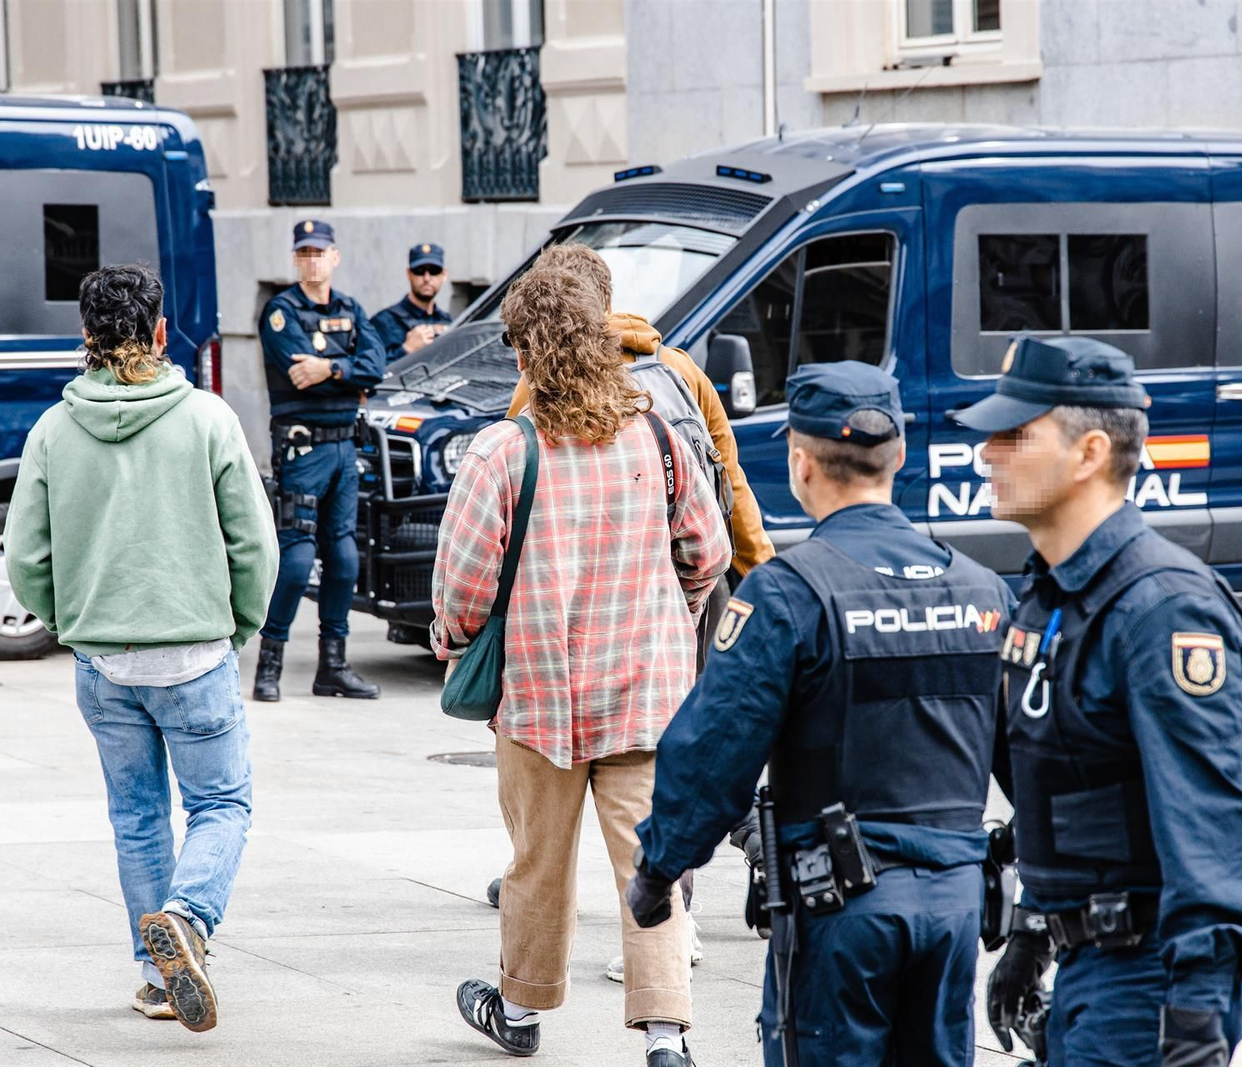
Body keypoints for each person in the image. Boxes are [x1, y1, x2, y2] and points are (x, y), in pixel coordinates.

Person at [629, 361, 1014, 1067]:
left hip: (841, 910)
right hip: (956, 905)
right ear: (898, 455)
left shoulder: (788, 594)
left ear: (800, 462)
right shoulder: (984, 591)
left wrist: (659, 870)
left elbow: (713, 752)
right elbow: (1041, 765)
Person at [952, 336, 1242, 1067]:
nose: (987, 454)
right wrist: (1032, 931)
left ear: (1089, 452)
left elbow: (1214, 833)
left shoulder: (1161, 611)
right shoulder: (1049, 598)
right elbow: (1071, 795)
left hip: (1149, 987)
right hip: (1088, 975)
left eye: (1015, 435)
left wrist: (1194, 1024)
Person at [434, 262, 731, 1067]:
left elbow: (461, 590)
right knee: (651, 862)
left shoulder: (502, 451)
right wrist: (673, 617)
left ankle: (522, 1010)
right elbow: (709, 551)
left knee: (537, 860)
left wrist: (453, 641)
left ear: (525, 356)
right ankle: (666, 1036)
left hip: (538, 698)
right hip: (648, 694)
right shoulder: (659, 438)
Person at [4, 264, 278, 1033]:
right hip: (194, 651)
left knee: (137, 816)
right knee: (222, 801)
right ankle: (188, 920)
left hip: (104, 658)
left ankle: (159, 981)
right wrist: (240, 624)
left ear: (85, 337)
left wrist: (72, 617)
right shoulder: (207, 419)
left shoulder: (53, 430)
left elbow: (25, 556)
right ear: (159, 333)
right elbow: (255, 543)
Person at [494, 241, 777, 980]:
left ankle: (582, 946)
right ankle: (698, 902)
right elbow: (730, 477)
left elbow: (519, 506)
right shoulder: (682, 369)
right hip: (688, 595)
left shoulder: (538, 388)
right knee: (681, 758)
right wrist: (755, 575)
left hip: (587, 619)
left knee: (583, 786)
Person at [253, 220, 385, 703]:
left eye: (320, 252)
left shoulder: (352, 309)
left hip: (345, 449)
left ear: (335, 257)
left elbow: (376, 366)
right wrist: (349, 374)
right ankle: (270, 663)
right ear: (295, 259)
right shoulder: (280, 312)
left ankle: (333, 667)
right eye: (304, 252)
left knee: (345, 560)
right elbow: (297, 374)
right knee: (297, 561)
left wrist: (328, 366)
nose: (312, 259)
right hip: (302, 450)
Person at [370, 241, 453, 362]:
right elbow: (367, 371)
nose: (427, 278)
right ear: (409, 274)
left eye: (434, 271)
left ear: (444, 275)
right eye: (419, 271)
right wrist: (406, 349)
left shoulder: (447, 322)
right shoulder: (383, 322)